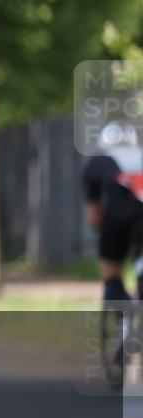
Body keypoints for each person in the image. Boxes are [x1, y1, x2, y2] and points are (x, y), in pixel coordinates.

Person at [83, 120, 143, 303]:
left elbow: (94, 215)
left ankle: (117, 307)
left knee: (111, 268)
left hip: (115, 216)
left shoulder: (97, 162)